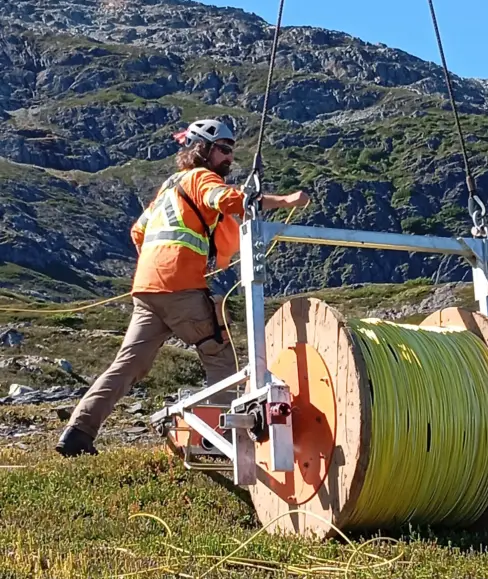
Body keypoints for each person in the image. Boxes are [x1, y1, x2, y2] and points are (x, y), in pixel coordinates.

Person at [56, 119, 309, 457]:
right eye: (223, 149)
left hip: (147, 288)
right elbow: (227, 200)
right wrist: (286, 200)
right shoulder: (201, 177)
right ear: (202, 150)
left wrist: (161, 261)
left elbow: (138, 232)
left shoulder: (168, 188)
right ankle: (220, 440)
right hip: (180, 286)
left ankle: (78, 433)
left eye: (230, 151)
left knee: (128, 364)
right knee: (221, 355)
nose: (229, 158)